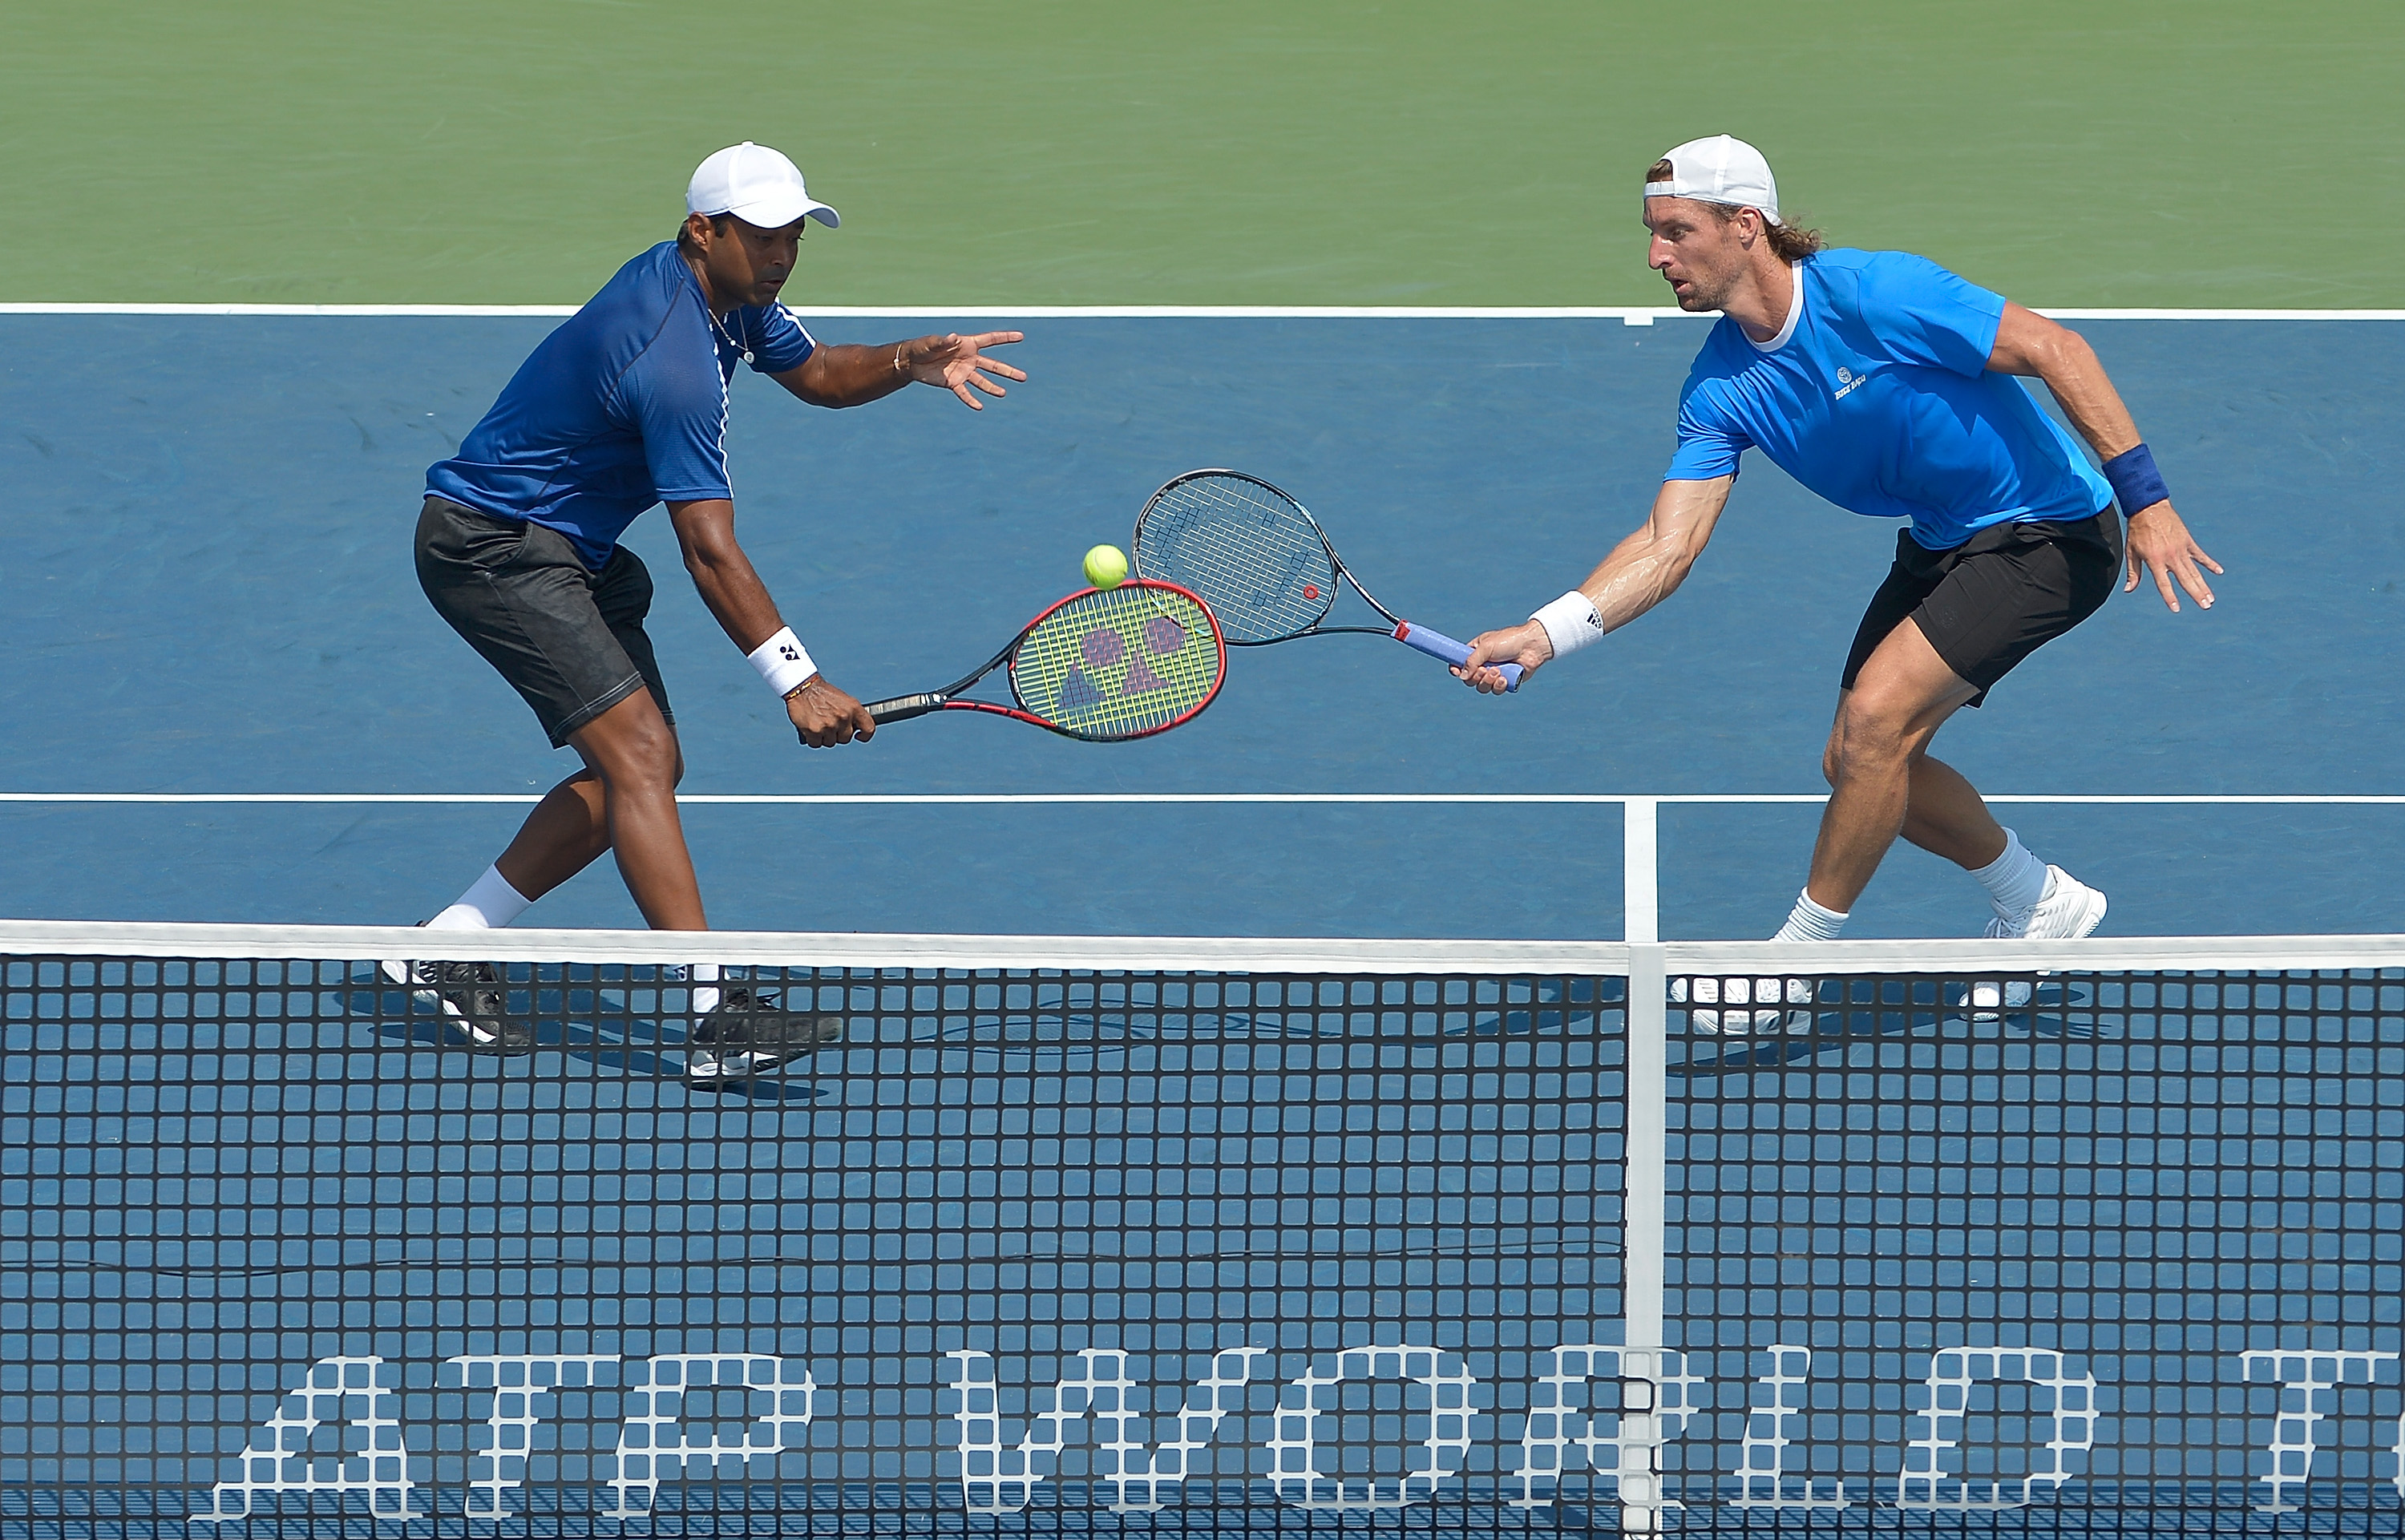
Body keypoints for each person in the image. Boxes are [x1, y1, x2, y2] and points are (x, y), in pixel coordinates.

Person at [1461, 135, 2220, 957]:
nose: (1655, 255)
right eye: (1652, 232)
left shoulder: (1876, 293)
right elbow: (1664, 544)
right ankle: (2037, 897)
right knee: (1855, 760)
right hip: (1944, 539)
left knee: (1875, 720)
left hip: (2054, 529)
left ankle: (1796, 957)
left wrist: (2149, 502)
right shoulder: (1720, 390)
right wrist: (1543, 635)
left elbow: (2055, 348)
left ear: (1745, 224)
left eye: (1676, 230)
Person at [387, 141, 1026, 1082]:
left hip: (570, 547)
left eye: (795, 236)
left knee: (641, 771)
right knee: (640, 756)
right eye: (764, 236)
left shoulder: (729, 298)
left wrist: (905, 361)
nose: (782, 255)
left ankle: (450, 939)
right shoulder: (674, 357)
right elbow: (708, 548)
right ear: (704, 230)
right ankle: (714, 1013)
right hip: (494, 548)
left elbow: (818, 375)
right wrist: (797, 680)